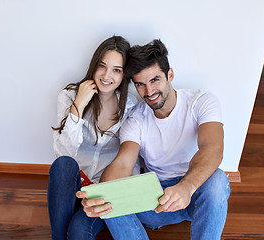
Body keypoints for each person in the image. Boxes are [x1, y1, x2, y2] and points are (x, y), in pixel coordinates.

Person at [77, 39, 230, 240]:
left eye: (155, 80)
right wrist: (101, 195)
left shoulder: (201, 102)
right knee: (110, 198)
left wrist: (186, 187)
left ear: (170, 75)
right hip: (156, 202)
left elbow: (213, 148)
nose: (149, 92)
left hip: (194, 191)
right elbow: (123, 162)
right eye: (140, 84)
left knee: (218, 180)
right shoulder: (136, 118)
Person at [48, 36, 138, 240]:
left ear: (124, 75)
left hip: (103, 190)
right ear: (94, 65)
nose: (107, 76)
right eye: (102, 66)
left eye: (116, 70)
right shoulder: (70, 96)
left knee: (78, 230)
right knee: (63, 164)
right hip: (72, 185)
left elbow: (131, 158)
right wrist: (79, 105)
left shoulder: (131, 108)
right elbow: (63, 154)